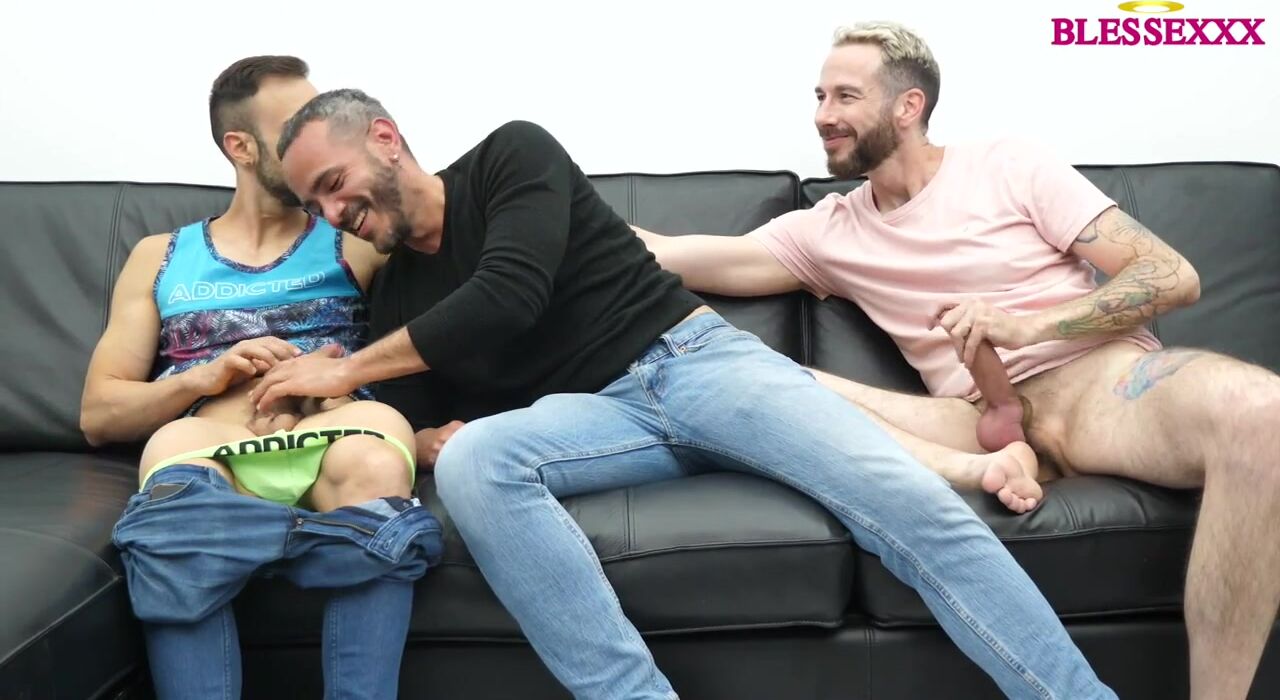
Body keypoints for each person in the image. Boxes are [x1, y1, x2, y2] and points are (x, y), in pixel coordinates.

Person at [249, 87, 1119, 699]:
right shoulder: (398, 299)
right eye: (314, 204)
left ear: (387, 140)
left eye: (334, 185)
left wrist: (347, 370)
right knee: (479, 457)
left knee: (910, 503)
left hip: (695, 362)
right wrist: (392, 421)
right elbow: (413, 415)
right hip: (596, 418)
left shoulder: (511, 157)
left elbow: (508, 294)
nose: (332, 213)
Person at [635, 20, 1280, 700]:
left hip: (1102, 387)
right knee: (763, 377)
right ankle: (1008, 463)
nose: (824, 115)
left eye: (846, 96)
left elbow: (1171, 275)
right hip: (968, 421)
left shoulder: (1009, 165)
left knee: (1263, 411)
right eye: (819, 97)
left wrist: (1026, 327)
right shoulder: (828, 231)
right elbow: (667, 254)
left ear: (907, 106)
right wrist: (559, 198)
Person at [81, 56, 442, 699]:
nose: (315, 132)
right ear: (240, 147)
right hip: (210, 442)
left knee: (375, 461)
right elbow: (99, 414)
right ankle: (273, 540)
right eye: (293, 125)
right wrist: (201, 379)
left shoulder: (355, 237)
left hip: (337, 434)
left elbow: (475, 258)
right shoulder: (160, 257)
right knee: (175, 503)